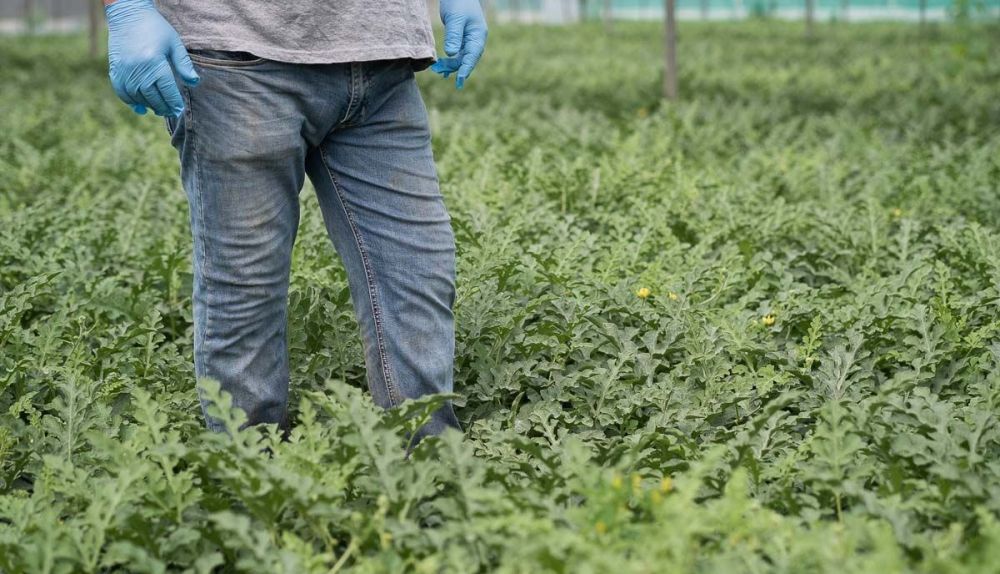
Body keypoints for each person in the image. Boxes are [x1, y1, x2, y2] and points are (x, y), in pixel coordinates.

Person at [102, 0, 488, 443]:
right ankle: (253, 480)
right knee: (245, 289)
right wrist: (127, 8)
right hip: (235, 57)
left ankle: (430, 468)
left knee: (418, 273)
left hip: (382, 59)